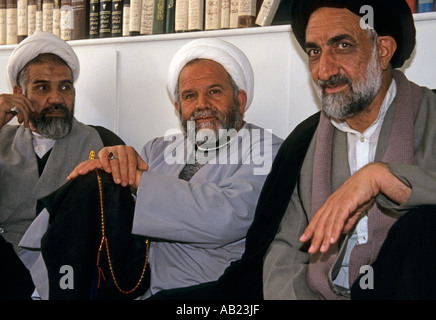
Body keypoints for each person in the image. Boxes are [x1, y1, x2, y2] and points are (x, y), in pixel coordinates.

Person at [146, 0, 436, 300]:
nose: (324, 70)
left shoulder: (431, 115)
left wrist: (384, 178)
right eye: (314, 52)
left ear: (383, 50)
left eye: (343, 46)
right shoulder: (305, 141)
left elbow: (222, 218)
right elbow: (284, 250)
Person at [27, 38, 282, 299]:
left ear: (240, 100)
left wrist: (138, 180)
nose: (202, 104)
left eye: (214, 91)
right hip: (137, 284)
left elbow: (228, 216)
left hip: (212, 289)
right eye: (190, 96)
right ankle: (39, 286)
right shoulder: (159, 149)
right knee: (93, 178)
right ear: (178, 107)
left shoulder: (267, 150)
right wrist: (109, 171)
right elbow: (122, 208)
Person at [0, 31, 124, 300]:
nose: (57, 99)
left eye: (65, 87)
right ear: (19, 94)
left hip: (67, 271)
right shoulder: (2, 137)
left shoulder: (102, 142)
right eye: (43, 87)